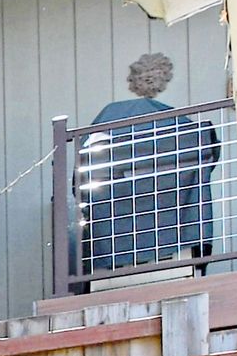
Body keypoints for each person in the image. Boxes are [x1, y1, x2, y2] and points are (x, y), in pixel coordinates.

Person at [76, 51, 219, 276]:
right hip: (166, 228)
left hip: (121, 234)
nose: (150, 79)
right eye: (146, 74)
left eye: (155, 74)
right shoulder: (176, 135)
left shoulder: (107, 133)